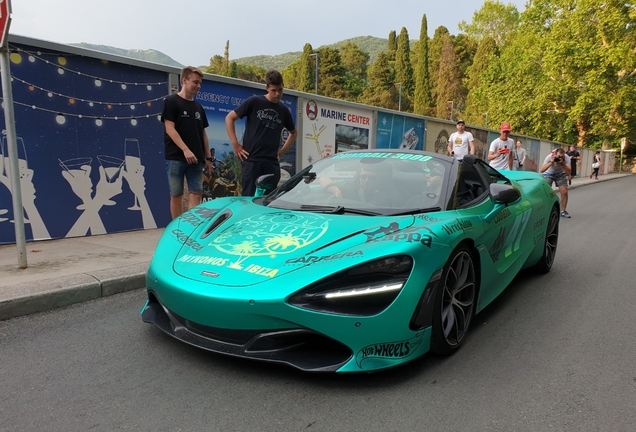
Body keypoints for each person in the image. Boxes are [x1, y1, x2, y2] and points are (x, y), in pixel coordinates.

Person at [225, 70, 298, 196]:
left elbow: (293, 133)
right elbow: (229, 118)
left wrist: (282, 151)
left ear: (283, 86)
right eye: (273, 90)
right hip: (251, 160)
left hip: (271, 163)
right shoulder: (254, 102)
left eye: (280, 90)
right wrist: (235, 145)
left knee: (268, 201)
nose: (277, 94)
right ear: (267, 88)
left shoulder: (283, 110)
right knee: (248, 200)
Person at [161, 66, 211, 219]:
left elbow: (203, 133)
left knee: (196, 193)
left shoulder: (199, 107)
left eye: (200, 83)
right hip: (176, 157)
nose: (198, 86)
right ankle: (176, 228)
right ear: (184, 80)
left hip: (196, 159)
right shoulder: (171, 101)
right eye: (195, 82)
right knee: (176, 195)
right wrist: (185, 149)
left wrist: (208, 158)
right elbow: (170, 129)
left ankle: (189, 227)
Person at [540, 147, 571, 218]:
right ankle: (545, 210)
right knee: (545, 192)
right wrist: (551, 162)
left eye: (562, 157)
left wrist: (563, 164)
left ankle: (563, 211)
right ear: (555, 154)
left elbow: (569, 172)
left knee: (564, 191)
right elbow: (541, 170)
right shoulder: (549, 157)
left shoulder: (566, 158)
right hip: (548, 173)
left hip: (560, 174)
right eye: (558, 156)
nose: (560, 158)